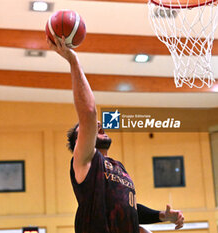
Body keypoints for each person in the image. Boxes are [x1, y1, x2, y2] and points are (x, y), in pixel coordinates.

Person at [47, 34, 184, 233]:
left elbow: (129, 207)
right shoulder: (86, 161)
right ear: (81, 141)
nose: (98, 125)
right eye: (90, 128)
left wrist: (160, 216)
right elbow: (88, 112)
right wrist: (73, 59)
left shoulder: (118, 167)